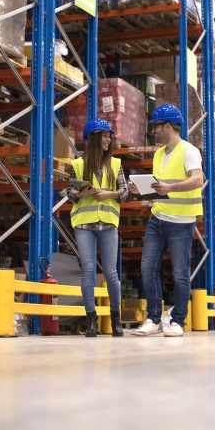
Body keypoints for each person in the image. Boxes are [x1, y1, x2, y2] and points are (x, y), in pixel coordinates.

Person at [129, 104, 204, 337]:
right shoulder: (158, 154)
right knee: (147, 268)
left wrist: (170, 187)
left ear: (169, 126)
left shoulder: (188, 151)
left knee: (180, 273)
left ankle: (178, 321)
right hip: (157, 219)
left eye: (157, 127)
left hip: (181, 223)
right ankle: (153, 319)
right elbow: (159, 188)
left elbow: (198, 180)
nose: (154, 131)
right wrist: (140, 190)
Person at [67, 118, 129, 338]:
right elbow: (70, 194)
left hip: (108, 224)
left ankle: (116, 320)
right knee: (88, 271)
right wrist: (85, 193)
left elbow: (124, 192)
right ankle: (91, 320)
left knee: (111, 273)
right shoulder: (78, 164)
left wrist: (107, 194)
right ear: (94, 138)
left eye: (109, 136)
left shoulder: (116, 164)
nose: (108, 139)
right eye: (104, 136)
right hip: (84, 224)